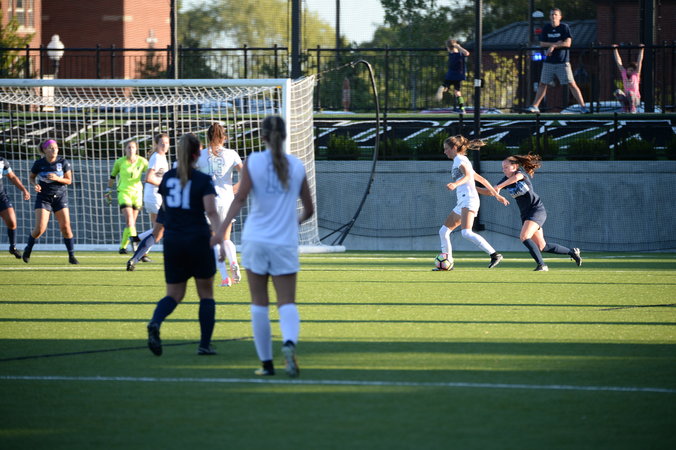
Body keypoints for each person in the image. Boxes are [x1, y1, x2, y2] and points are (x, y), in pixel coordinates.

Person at [211, 115, 314, 378]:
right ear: (285, 135)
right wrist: (293, 222)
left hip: (256, 240)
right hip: (284, 242)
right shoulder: (296, 165)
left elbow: (239, 199)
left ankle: (267, 364)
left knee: (259, 303)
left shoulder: (254, 161)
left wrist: (221, 231)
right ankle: (288, 343)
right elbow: (309, 209)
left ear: (263, 137)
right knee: (286, 302)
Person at [146, 133, 222, 357]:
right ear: (197, 153)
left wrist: (157, 232)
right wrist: (219, 236)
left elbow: (164, 210)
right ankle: (204, 345)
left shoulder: (168, 177)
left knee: (174, 294)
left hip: (174, 241)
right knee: (206, 294)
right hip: (198, 239)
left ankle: (155, 322)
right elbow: (211, 211)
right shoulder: (203, 180)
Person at [491, 153, 582, 271]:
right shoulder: (505, 180)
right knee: (542, 246)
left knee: (524, 236)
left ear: (515, 166)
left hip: (536, 210)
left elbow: (516, 178)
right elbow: (490, 191)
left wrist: (499, 186)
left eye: (506, 167)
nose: (503, 170)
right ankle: (572, 252)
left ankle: (542, 265)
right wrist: (473, 188)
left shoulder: (520, 174)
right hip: (526, 215)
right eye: (503, 167)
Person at [436, 135, 508, 271]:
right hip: (463, 201)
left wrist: (455, 184)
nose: (445, 152)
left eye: (446, 149)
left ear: (454, 148)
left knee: (466, 232)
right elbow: (481, 179)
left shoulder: (460, 159)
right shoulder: (461, 160)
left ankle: (494, 254)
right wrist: (496, 194)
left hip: (469, 199)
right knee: (443, 231)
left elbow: (468, 176)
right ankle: (447, 264)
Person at [197, 123, 243, 287]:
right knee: (226, 237)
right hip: (227, 200)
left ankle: (225, 278)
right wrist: (234, 189)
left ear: (208, 137)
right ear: (224, 137)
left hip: (210, 201)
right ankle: (234, 262)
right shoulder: (231, 154)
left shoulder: (200, 155)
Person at [22, 139, 79, 264]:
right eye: (51, 148)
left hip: (60, 198)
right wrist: (35, 185)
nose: (54, 150)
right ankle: (28, 249)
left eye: (56, 147)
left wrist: (57, 178)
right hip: (44, 198)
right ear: (44, 150)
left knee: (66, 227)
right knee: (40, 229)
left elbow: (69, 181)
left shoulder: (63, 162)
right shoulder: (39, 163)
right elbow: (31, 177)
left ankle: (71, 256)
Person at [526, 8, 588, 114]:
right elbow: (542, 43)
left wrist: (553, 46)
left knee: (572, 84)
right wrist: (556, 43)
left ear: (560, 17)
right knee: (542, 84)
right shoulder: (546, 28)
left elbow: (567, 43)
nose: (553, 16)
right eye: (551, 15)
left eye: (555, 14)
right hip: (549, 62)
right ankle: (535, 106)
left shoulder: (564, 28)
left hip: (562, 62)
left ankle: (583, 107)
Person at [126, 134, 169, 270]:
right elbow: (149, 178)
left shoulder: (162, 157)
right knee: (161, 230)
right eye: (162, 143)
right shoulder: (156, 157)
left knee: (158, 230)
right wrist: (164, 185)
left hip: (156, 196)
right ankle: (137, 251)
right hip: (155, 197)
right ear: (156, 144)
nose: (165, 145)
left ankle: (137, 241)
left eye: (167, 143)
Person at [105, 141, 148, 254]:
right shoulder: (119, 162)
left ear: (136, 149)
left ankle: (122, 247)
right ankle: (136, 248)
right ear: (125, 149)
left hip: (137, 194)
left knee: (131, 223)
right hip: (124, 192)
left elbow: (150, 172)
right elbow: (112, 176)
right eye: (128, 147)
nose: (130, 149)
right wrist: (108, 190)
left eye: (133, 147)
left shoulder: (142, 161)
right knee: (129, 219)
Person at [0, 156, 31, 258]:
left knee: (12, 222)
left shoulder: (2, 161)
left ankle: (12, 247)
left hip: (1, 197)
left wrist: (24, 190)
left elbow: (12, 177)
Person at [435, 38, 470, 113]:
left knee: (444, 85)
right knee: (457, 92)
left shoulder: (454, 54)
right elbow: (466, 53)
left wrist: (457, 46)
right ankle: (462, 108)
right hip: (459, 75)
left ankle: (443, 88)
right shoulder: (458, 54)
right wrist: (458, 47)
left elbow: (466, 53)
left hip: (451, 75)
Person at [612, 44, 644, 113]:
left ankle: (633, 108)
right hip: (627, 98)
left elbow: (640, 61)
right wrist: (615, 50)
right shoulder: (624, 73)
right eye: (629, 70)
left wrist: (641, 50)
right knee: (617, 92)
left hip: (636, 99)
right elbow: (618, 62)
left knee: (630, 92)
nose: (630, 72)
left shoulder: (636, 75)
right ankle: (625, 107)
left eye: (632, 71)